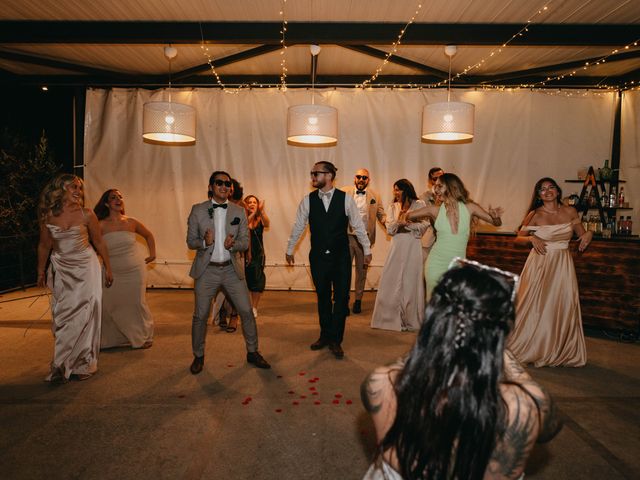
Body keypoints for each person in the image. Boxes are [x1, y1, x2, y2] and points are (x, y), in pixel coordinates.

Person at [361, 259, 562, 480]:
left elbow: (413, 362)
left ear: (433, 316)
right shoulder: (525, 407)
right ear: (502, 330)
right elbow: (550, 426)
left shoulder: (381, 384)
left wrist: (434, 335)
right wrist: (497, 346)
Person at [186, 170, 270, 373]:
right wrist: (204, 243)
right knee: (200, 315)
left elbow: (244, 241)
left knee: (246, 312)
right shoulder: (197, 210)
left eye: (227, 183)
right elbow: (190, 241)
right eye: (219, 183)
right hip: (207, 271)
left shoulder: (238, 211)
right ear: (211, 187)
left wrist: (234, 245)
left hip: (232, 270)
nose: (224, 186)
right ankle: (198, 356)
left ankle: (253, 352)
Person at [286, 161, 371, 359]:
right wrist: (290, 248)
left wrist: (366, 249)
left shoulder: (345, 199)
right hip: (318, 258)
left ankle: (336, 340)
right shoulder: (308, 200)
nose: (313, 177)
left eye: (316, 173)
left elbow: (358, 226)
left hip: (341, 257)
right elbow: (299, 225)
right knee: (323, 297)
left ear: (329, 175)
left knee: (341, 298)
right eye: (312, 173)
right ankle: (325, 335)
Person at [37, 174, 113, 383]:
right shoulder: (47, 216)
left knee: (88, 311)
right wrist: (41, 271)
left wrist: (108, 267)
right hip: (62, 267)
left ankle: (82, 362)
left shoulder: (87, 214)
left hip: (86, 266)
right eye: (73, 186)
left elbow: (99, 242)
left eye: (80, 187)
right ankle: (61, 363)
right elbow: (44, 245)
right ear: (60, 189)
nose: (78, 190)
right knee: (63, 315)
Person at [508, 177, 591, 367]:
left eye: (551, 187)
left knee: (562, 304)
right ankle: (533, 347)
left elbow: (582, 233)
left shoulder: (570, 211)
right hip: (539, 264)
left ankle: (560, 349)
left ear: (558, 191)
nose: (547, 191)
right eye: (542, 189)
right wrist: (530, 239)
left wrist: (589, 235)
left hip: (563, 265)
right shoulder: (534, 214)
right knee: (534, 305)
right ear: (538, 195)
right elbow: (517, 239)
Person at [405, 173, 502, 300]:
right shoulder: (434, 210)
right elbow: (408, 216)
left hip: (458, 266)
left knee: (455, 305)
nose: (436, 189)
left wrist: (495, 217)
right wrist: (409, 217)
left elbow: (496, 223)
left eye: (440, 186)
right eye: (435, 186)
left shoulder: (470, 208)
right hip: (435, 264)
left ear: (452, 187)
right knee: (436, 305)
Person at [94, 189, 155, 349]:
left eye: (120, 196)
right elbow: (95, 248)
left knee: (136, 303)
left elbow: (149, 235)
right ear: (106, 203)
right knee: (110, 304)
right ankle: (113, 339)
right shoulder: (100, 225)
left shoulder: (131, 222)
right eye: (113, 197)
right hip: (111, 270)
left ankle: (140, 336)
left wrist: (152, 254)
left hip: (135, 269)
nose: (118, 199)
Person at [370, 179, 428, 332]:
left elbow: (424, 226)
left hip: (412, 245)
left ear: (406, 190)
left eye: (398, 190)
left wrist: (407, 224)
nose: (395, 193)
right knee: (392, 278)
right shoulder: (392, 206)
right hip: (396, 245)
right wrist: (398, 223)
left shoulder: (420, 204)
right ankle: (389, 319)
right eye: (394, 190)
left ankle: (410, 320)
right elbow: (389, 228)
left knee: (410, 280)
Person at [341, 168, 386, 314]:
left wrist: (391, 225)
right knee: (344, 271)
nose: (361, 180)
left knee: (362, 272)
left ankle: (358, 300)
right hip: (346, 237)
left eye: (364, 178)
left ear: (368, 180)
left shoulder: (375, 195)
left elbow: (381, 214)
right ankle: (344, 301)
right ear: (355, 178)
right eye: (359, 177)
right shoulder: (344, 192)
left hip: (364, 239)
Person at [244, 194, 270, 318]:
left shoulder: (259, 218)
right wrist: (252, 214)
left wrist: (261, 211)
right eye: (249, 202)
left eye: (254, 202)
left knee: (256, 283)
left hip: (257, 255)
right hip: (243, 255)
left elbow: (267, 223)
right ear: (245, 204)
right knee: (243, 282)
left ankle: (254, 307)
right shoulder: (242, 218)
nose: (252, 204)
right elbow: (244, 225)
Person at [418, 167, 444, 261]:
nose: (438, 181)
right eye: (435, 179)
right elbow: (421, 219)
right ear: (430, 181)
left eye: (441, 177)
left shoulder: (451, 196)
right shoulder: (423, 197)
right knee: (424, 269)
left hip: (446, 239)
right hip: (428, 239)